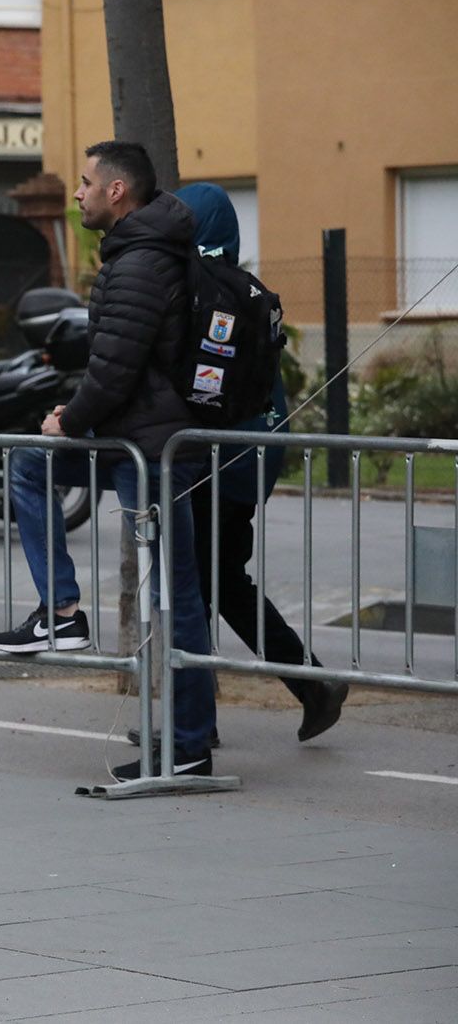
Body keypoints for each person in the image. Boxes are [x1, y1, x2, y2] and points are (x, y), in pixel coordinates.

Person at [0, 140, 218, 781]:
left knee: (180, 594)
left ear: (117, 192)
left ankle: (191, 743)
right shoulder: (139, 251)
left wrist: (69, 420)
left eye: (86, 182)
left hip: (152, 449)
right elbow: (115, 362)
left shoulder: (142, 261)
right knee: (30, 467)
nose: (78, 193)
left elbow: (116, 368)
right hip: (133, 440)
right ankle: (61, 615)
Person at [176, 182, 349, 743]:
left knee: (200, 583)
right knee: (218, 583)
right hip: (245, 460)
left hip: (212, 462)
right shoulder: (247, 289)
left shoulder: (203, 291)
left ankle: (198, 724)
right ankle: (305, 685)